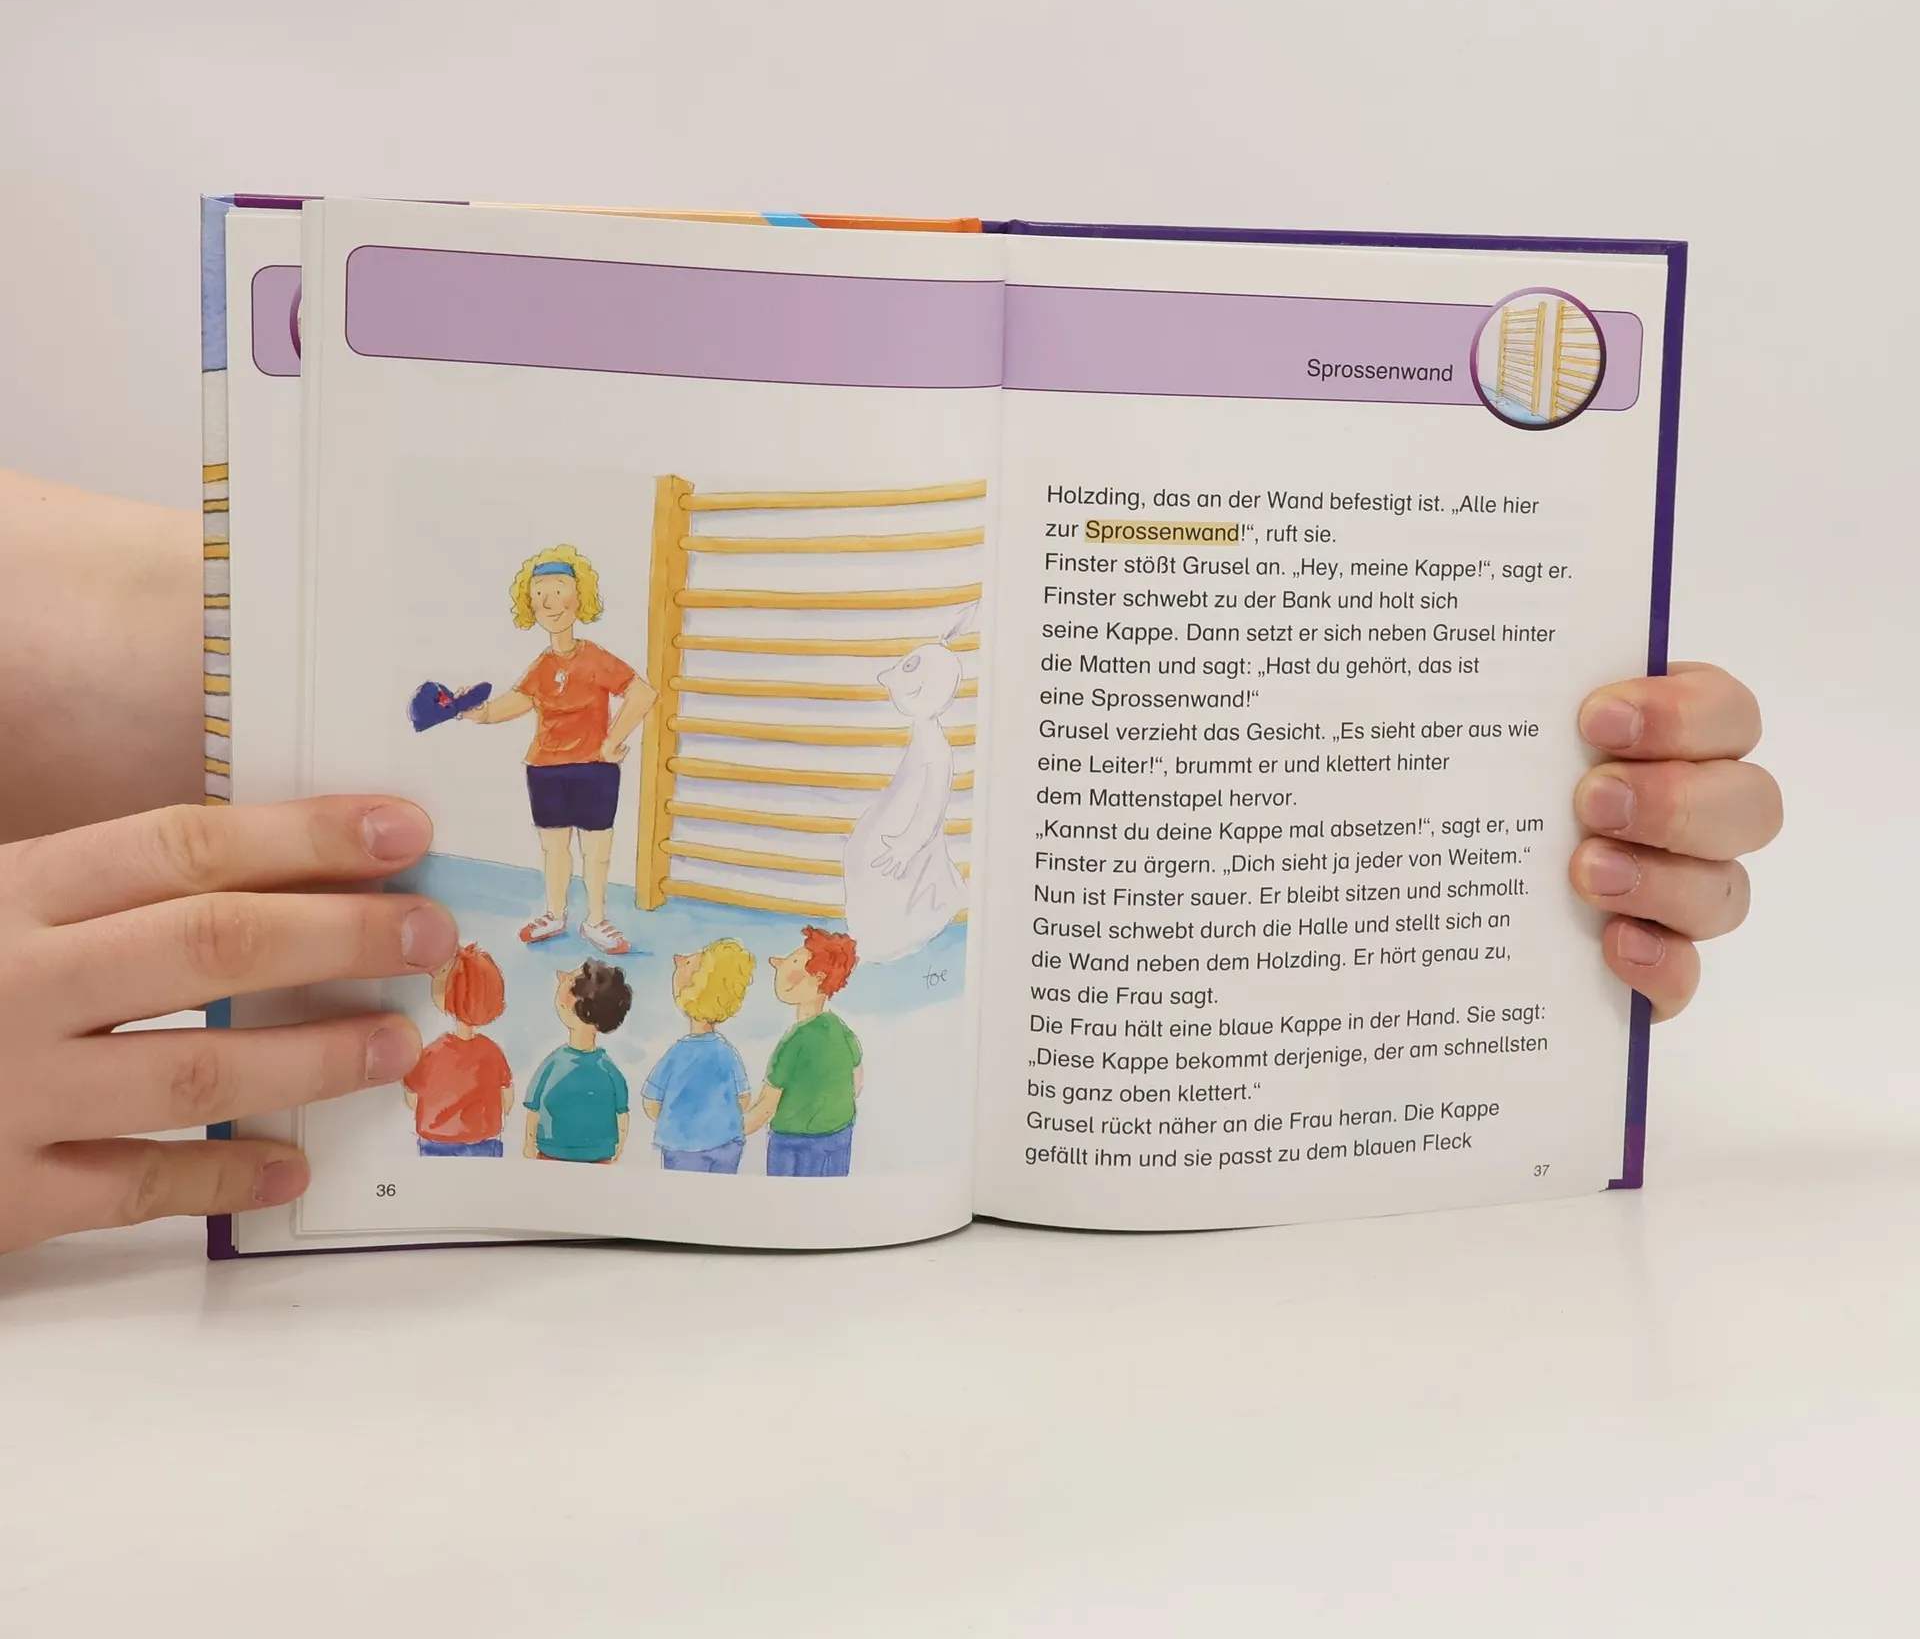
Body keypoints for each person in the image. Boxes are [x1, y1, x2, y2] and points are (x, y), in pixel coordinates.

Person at [0, 469, 1783, 1251]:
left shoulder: (600, 668)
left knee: (588, 859)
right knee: (564, 868)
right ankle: (566, 907)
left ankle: (577, 904)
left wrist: (1438, 765)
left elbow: (592, 705)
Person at [461, 545, 655, 957]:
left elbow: (642, 694)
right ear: (529, 603)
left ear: (579, 596)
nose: (548, 601)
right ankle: (554, 914)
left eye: (558, 588)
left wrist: (611, 740)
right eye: (539, 593)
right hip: (545, 768)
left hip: (594, 767)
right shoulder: (542, 665)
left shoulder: (596, 658)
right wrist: (478, 712)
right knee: (553, 848)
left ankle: (596, 919)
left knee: (597, 850)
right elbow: (514, 702)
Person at [743, 928, 864, 1178]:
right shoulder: (842, 1030)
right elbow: (857, 1082)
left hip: (794, 1144)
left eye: (794, 963)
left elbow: (765, 1107)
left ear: (818, 976)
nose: (777, 964)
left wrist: (728, 1131)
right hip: (840, 1135)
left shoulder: (793, 1042)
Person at [641, 941, 756, 1173]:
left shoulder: (677, 1053)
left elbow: (651, 1103)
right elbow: (743, 1099)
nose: (678, 959)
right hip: (727, 1144)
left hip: (682, 1147)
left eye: (687, 963)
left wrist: (680, 1122)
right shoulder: (726, 1051)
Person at [404, 944, 514, 1156]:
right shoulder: (493, 1053)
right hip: (485, 1145)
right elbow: (506, 1099)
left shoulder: (432, 1053)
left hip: (436, 1144)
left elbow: (412, 1098)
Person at [521, 961, 633, 1164]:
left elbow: (621, 1112)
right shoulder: (556, 1063)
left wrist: (620, 1147)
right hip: (551, 1155)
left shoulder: (605, 1068)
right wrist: (529, 1143)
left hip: (595, 1158)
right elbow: (533, 1107)